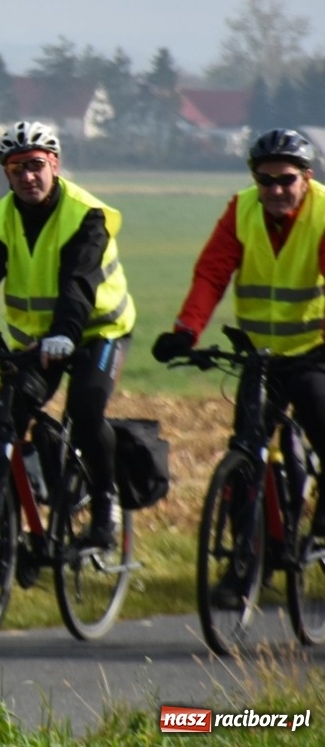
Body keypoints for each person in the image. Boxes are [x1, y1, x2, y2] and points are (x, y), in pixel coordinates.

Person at [0, 120, 136, 551]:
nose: (27, 177)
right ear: (6, 174)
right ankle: (17, 529)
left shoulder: (85, 214)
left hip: (97, 333)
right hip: (38, 342)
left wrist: (66, 335)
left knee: (87, 413)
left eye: (36, 165)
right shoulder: (1, 218)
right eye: (16, 169)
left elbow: (78, 284)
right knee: (9, 424)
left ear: (54, 164)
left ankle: (106, 507)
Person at [151, 127, 325, 604]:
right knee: (246, 455)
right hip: (258, 355)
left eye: (285, 180)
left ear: (306, 178)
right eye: (264, 180)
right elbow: (213, 270)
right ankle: (242, 568)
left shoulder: (324, 213)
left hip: (312, 352)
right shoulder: (242, 210)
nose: (274, 191)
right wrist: (186, 330)